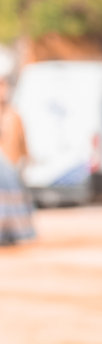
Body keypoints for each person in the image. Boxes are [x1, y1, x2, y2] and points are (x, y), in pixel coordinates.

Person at [0, 72, 36, 246]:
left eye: (4, 86)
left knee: (14, 202)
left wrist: (26, 159)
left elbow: (22, 141)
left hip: (11, 168)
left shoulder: (14, 115)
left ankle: (16, 234)